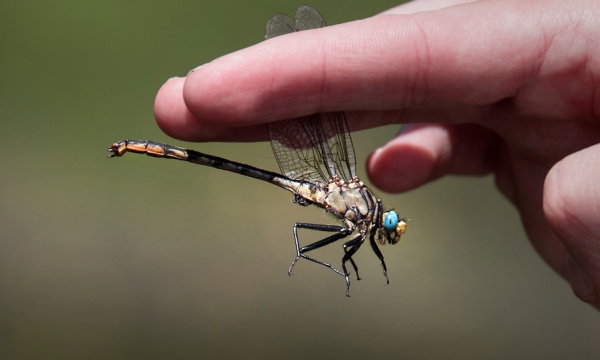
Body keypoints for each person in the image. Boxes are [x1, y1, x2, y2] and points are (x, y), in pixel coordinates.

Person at [153, 0, 600, 309]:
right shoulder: (360, 217)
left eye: (388, 226)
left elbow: (354, 248)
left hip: (334, 190)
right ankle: (149, 149)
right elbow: (341, 246)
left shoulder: (362, 222)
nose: (389, 227)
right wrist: (328, 261)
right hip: (329, 188)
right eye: (388, 225)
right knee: (306, 234)